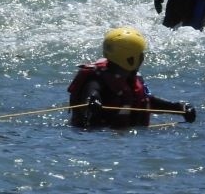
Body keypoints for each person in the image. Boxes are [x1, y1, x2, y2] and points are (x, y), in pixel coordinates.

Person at [68, 27, 196, 128]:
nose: (142, 58)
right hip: (102, 138)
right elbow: (92, 93)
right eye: (139, 54)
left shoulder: (131, 78)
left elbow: (146, 101)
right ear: (129, 59)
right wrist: (92, 101)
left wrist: (179, 108)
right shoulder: (96, 79)